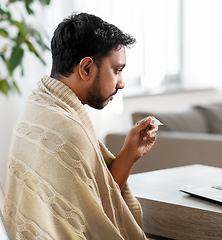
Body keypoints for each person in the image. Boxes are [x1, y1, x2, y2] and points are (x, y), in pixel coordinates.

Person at [3, 12, 157, 239]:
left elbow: (92, 202)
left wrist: (130, 153)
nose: (121, 83)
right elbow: (99, 219)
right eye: (116, 70)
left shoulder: (37, 108)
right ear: (86, 68)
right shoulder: (66, 129)